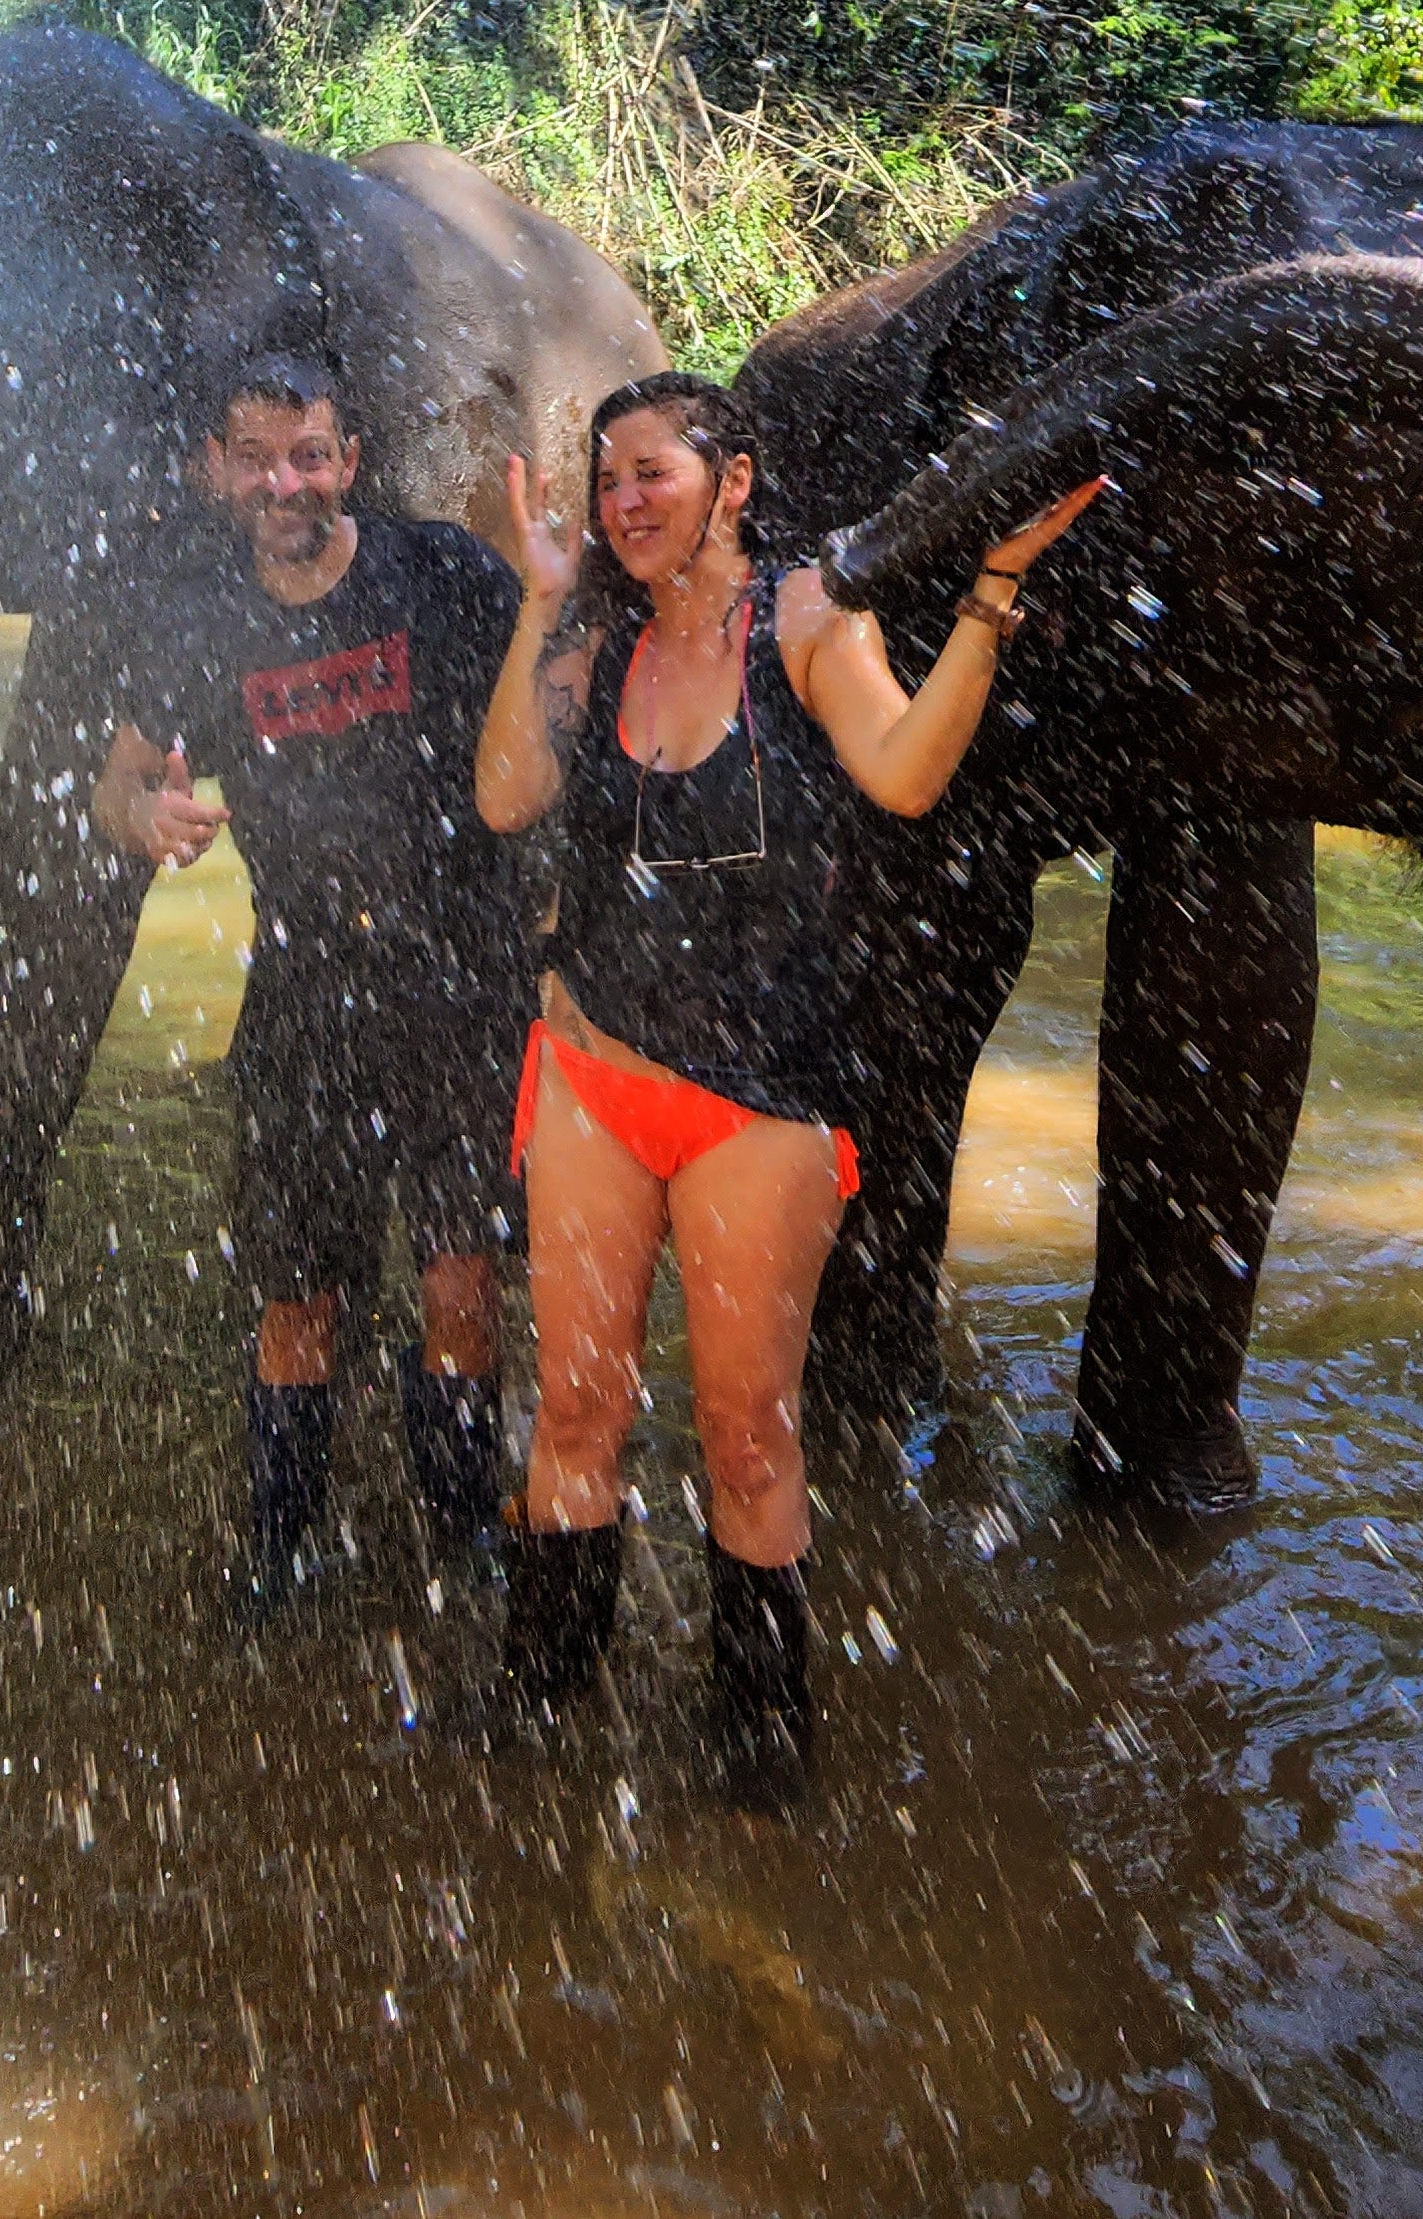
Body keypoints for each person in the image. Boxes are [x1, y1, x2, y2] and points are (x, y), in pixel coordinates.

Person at [474, 370, 1097, 1800]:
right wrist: (533, 603)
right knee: (575, 1417)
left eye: (655, 474)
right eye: (607, 478)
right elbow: (507, 797)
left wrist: (993, 595)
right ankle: (537, 1730)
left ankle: (759, 1757)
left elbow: (905, 773)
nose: (626, 501)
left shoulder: (807, 622)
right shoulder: (593, 641)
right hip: (591, 1070)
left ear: (733, 482)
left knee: (749, 1435)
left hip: (762, 1104)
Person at [94, 357, 530, 1610]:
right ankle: (280, 1548)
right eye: (258, 457)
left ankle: (460, 1535)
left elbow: (550, 715)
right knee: (296, 1294)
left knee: (460, 1278)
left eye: (310, 455)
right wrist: (148, 820)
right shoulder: (199, 622)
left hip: (459, 979)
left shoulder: (441, 575)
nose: (286, 481)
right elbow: (110, 785)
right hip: (301, 987)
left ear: (348, 461)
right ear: (217, 470)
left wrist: (552, 599)